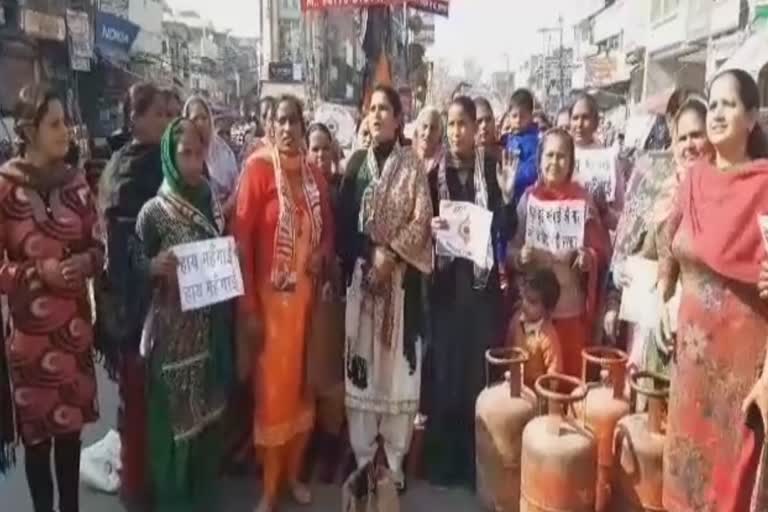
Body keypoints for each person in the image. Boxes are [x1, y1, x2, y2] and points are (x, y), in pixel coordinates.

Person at [658, 69, 768, 511]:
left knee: (731, 485)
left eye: (730, 104)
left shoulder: (764, 188)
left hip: (740, 372)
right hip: (690, 366)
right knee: (684, 477)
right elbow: (670, 243)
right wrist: (664, 297)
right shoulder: (694, 180)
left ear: (753, 117)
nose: (718, 112)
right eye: (713, 103)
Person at [0, 83, 104, 512]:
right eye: (55, 124)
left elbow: (99, 249)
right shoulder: (6, 190)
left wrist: (85, 264)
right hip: (29, 340)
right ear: (29, 130)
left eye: (67, 123)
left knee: (70, 437)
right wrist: (36, 272)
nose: (67, 132)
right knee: (38, 443)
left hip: (74, 331)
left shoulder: (77, 184)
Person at [235, 95, 333, 512]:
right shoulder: (257, 171)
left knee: (301, 391)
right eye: (282, 121)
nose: (289, 128)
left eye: (295, 121)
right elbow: (241, 243)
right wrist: (249, 309)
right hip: (269, 310)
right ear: (271, 126)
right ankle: (270, 487)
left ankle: (292, 475)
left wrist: (321, 254)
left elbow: (328, 233)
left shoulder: (314, 176)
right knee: (272, 396)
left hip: (307, 306)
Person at [134, 118, 233, 511]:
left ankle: (202, 495)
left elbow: (219, 251)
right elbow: (127, 267)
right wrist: (152, 266)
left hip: (207, 331)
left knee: (205, 420)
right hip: (172, 339)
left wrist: (231, 258)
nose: (193, 162)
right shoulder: (153, 213)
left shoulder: (208, 198)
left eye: (198, 153)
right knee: (175, 426)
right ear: (170, 158)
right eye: (185, 154)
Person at [338, 84, 433, 488]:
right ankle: (363, 458)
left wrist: (390, 255)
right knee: (360, 369)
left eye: (385, 109)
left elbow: (422, 218)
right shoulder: (356, 164)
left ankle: (393, 463)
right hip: (364, 285)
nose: (377, 116)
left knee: (398, 376)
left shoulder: (412, 166)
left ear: (398, 119)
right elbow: (343, 222)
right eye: (372, 109)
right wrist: (368, 253)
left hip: (400, 289)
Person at [422, 96, 516, 488]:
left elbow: (506, 231)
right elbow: (421, 229)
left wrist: (507, 197)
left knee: (477, 376)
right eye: (454, 124)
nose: (459, 131)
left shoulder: (493, 170)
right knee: (446, 377)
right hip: (445, 292)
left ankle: (476, 467)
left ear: (476, 128)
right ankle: (445, 466)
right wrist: (427, 228)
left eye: (465, 123)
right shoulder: (432, 176)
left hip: (480, 293)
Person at [605, 98, 713, 375]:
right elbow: (631, 247)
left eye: (697, 135)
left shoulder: (723, 194)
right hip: (650, 324)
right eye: (682, 137)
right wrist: (620, 277)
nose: (689, 145)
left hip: (704, 328)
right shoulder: (655, 184)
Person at [96, 81, 166, 504]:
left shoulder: (152, 162)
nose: (165, 121)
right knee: (138, 403)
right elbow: (121, 248)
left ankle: (146, 480)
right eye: (157, 113)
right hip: (135, 306)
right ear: (135, 118)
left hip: (151, 301)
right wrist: (151, 267)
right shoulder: (129, 170)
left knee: (148, 402)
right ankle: (137, 490)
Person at [509, 128, 610, 378]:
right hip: (534, 315)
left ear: (571, 163)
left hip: (570, 311)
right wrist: (521, 257)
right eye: (549, 155)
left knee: (567, 384)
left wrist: (586, 258)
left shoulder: (583, 202)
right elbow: (510, 251)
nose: (554, 162)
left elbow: (601, 251)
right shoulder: (527, 200)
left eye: (561, 156)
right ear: (540, 160)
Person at [570, 92, 627, 231]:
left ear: (596, 122)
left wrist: (605, 211)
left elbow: (621, 218)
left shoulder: (609, 159)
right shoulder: (560, 156)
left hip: (597, 244)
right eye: (575, 118)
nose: (579, 124)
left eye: (585, 118)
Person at [183, 96, 240, 219]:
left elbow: (237, 188)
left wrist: (223, 211)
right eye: (195, 119)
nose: (200, 123)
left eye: (204, 118)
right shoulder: (181, 154)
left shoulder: (223, 151)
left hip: (226, 222)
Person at [506, 267, 563, 388]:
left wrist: (547, 398)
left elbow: (554, 373)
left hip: (537, 397)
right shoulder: (516, 321)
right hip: (514, 390)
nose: (525, 305)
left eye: (532, 302)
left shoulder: (548, 336)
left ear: (548, 310)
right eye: (524, 298)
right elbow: (508, 351)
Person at [502, 89, 540, 205]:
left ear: (531, 116)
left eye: (522, 116)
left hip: (527, 197)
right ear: (508, 116)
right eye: (514, 116)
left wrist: (513, 177)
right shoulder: (506, 139)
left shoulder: (535, 142)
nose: (518, 120)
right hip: (509, 197)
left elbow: (533, 170)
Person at [414, 106, 444, 175]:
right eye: (424, 126)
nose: (427, 133)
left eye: (433, 128)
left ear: (440, 134)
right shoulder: (406, 155)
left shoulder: (446, 160)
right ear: (417, 130)